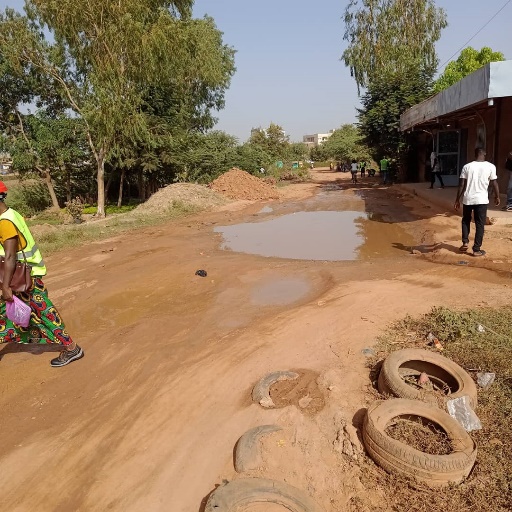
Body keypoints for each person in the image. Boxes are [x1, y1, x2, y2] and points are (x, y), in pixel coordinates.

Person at [0, 181, 83, 366]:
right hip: (18, 277)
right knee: (4, 313)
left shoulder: (5, 222)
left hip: (23, 279)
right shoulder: (10, 214)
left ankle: (72, 348)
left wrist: (5, 286)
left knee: (44, 312)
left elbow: (11, 255)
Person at [454, 148, 500, 257]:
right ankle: (476, 249)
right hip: (482, 200)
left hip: (468, 199)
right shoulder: (490, 166)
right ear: (484, 154)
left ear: (475, 155)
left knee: (466, 220)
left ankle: (465, 242)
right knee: (480, 224)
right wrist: (497, 196)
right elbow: (494, 183)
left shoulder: (467, 166)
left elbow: (461, 185)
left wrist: (457, 199)